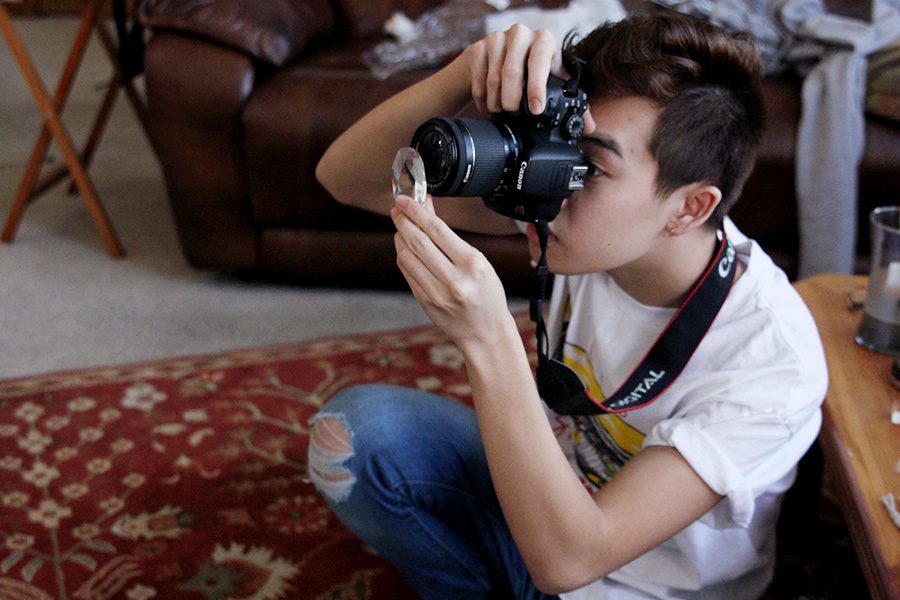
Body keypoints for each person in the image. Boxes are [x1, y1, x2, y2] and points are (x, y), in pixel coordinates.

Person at [308, 10, 828, 600]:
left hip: (635, 582)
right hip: (552, 501)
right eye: (559, 147)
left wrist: (489, 339)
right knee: (355, 437)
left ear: (688, 209)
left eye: (590, 165)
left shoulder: (771, 365)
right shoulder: (586, 222)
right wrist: (466, 69)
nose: (550, 182)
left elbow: (570, 561)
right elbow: (346, 178)